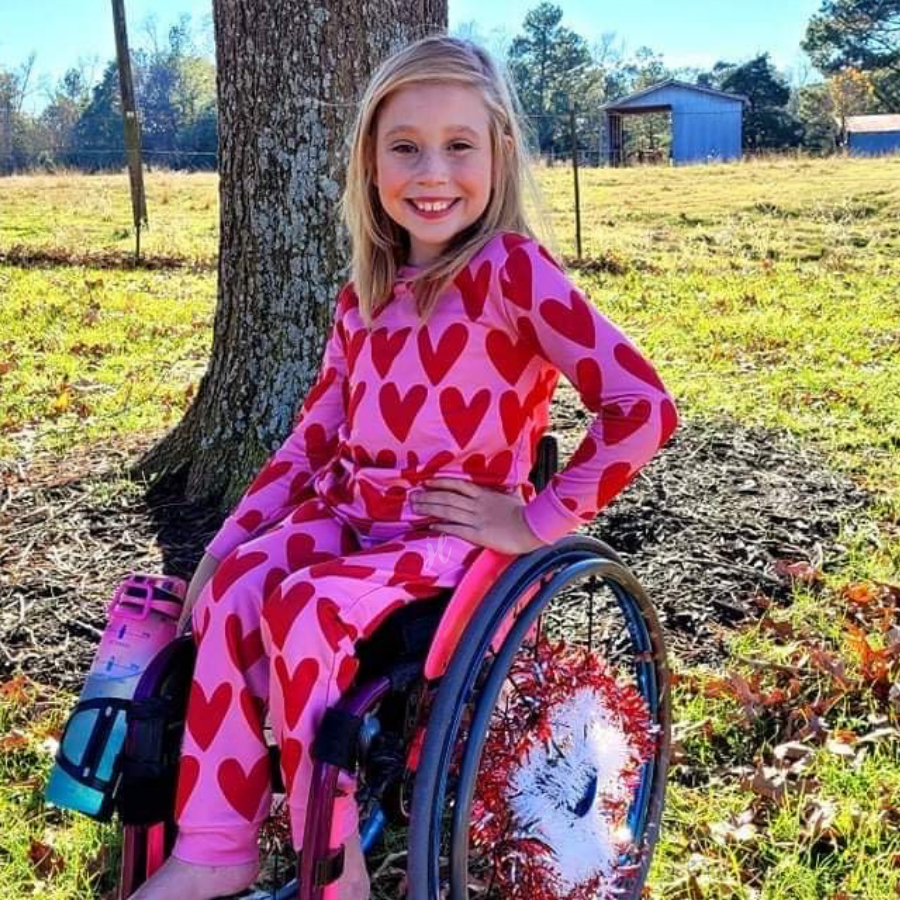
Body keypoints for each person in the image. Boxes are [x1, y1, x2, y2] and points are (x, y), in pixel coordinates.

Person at [128, 33, 679, 900]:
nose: (433, 171)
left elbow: (642, 407)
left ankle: (331, 863)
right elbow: (312, 438)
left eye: (459, 145)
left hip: (448, 534)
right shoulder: (366, 295)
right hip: (351, 516)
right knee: (237, 588)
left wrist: (534, 520)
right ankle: (214, 845)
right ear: (370, 164)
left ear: (499, 153)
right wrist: (225, 540)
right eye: (406, 147)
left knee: (303, 606)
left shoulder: (514, 273)